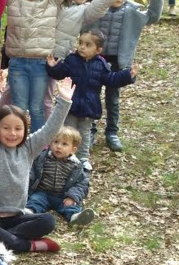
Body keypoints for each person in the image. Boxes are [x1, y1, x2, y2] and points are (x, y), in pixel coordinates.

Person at [0, 71, 75, 254]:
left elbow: (49, 130)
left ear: (25, 130)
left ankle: (3, 240)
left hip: (16, 217)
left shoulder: (28, 149)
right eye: (6, 128)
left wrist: (63, 101)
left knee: (48, 221)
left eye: (18, 129)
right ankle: (24, 245)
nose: (12, 133)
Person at [0, 0, 82, 132]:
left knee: (37, 108)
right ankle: (15, 144)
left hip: (40, 63)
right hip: (18, 62)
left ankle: (38, 149)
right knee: (18, 107)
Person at [84, 0, 163, 152]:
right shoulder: (97, 10)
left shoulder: (132, 11)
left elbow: (153, 16)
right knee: (91, 95)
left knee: (113, 98)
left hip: (117, 62)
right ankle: (90, 130)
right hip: (96, 60)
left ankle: (112, 132)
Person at [46, 31, 138, 169]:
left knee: (84, 133)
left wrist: (127, 75)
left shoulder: (101, 64)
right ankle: (63, 156)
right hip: (71, 104)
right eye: (81, 43)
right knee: (67, 130)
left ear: (98, 50)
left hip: (89, 106)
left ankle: (82, 158)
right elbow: (60, 73)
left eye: (88, 45)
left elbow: (111, 79)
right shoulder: (72, 59)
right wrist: (53, 67)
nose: (82, 47)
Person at [26, 128, 94, 225]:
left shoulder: (76, 165)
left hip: (62, 195)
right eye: (56, 142)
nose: (58, 146)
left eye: (64, 144)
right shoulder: (42, 158)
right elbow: (31, 172)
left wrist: (72, 197)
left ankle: (75, 217)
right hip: (42, 192)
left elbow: (81, 184)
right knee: (35, 200)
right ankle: (29, 211)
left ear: (73, 149)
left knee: (71, 206)